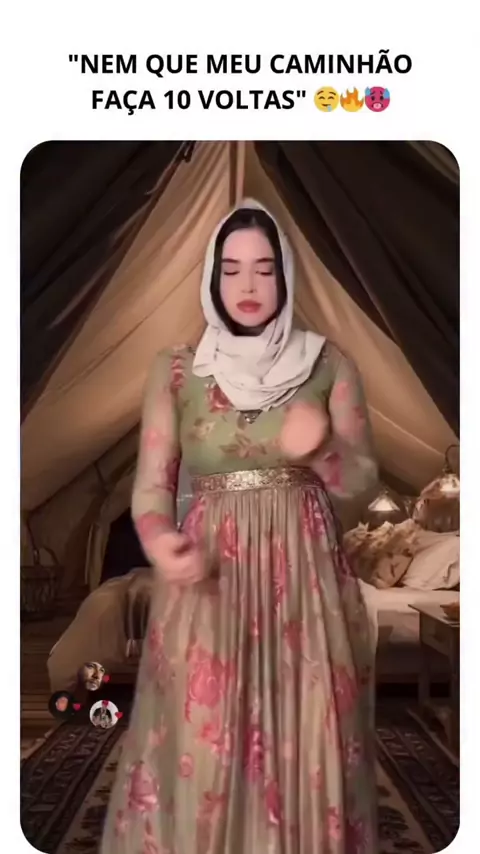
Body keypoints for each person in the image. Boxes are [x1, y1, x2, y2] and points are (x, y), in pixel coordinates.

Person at [101, 199, 379, 854]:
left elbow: (363, 483)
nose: (247, 285)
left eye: (263, 268)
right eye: (231, 270)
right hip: (208, 583)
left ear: (285, 274)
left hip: (305, 587)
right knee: (203, 745)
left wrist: (323, 451)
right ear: (212, 277)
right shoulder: (176, 370)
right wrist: (160, 540)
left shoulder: (328, 363)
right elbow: (152, 483)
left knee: (305, 739)